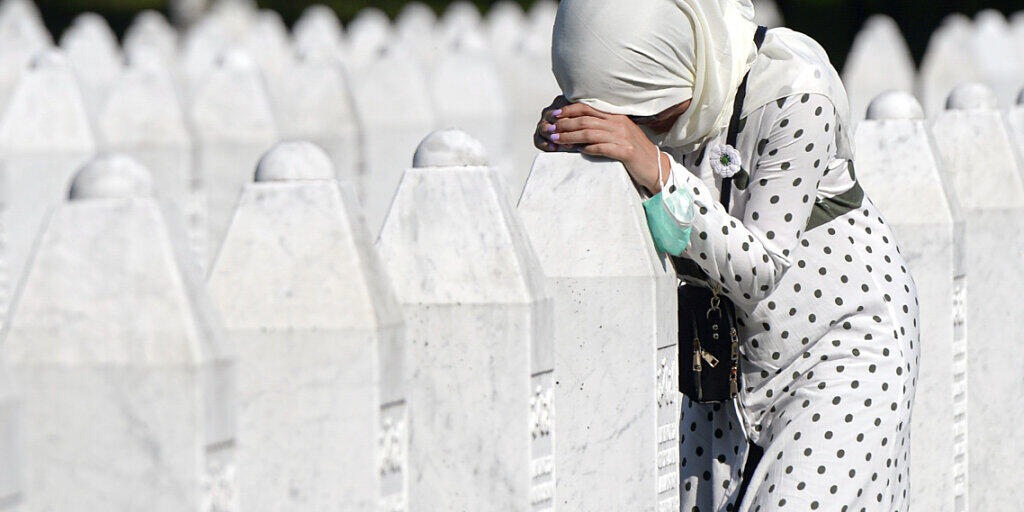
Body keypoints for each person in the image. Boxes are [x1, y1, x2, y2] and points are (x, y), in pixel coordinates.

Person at [533, 1, 920, 510]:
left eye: (642, 113)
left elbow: (761, 268)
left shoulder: (796, 90)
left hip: (840, 352)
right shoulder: (666, 99)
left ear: (677, 61)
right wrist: (578, 141)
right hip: (722, 363)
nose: (637, 129)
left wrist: (652, 165)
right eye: (616, 115)